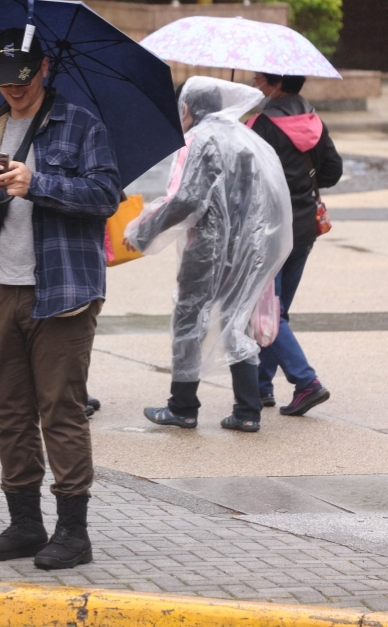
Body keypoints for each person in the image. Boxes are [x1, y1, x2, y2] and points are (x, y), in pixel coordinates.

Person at [0, 28, 122, 570]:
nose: (13, 91)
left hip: (62, 289)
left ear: (43, 70)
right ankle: (24, 524)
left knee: (60, 410)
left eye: (22, 79)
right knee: (9, 411)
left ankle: (73, 532)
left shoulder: (82, 125)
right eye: (3, 81)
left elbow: (107, 196)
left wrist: (36, 183)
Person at [125, 76, 292, 433]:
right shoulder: (246, 138)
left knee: (189, 320)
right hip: (248, 247)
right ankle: (248, 411)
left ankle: (182, 406)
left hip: (208, 246)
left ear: (187, 108)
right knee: (237, 321)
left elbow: (187, 200)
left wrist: (142, 231)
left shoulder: (199, 139)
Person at [248, 72, 342, 416]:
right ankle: (261, 386)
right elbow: (332, 171)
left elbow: (246, 177)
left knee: (265, 313)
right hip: (304, 230)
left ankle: (307, 382)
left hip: (270, 229)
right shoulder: (313, 119)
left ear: (275, 83)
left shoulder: (261, 124)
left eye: (259, 78)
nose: (255, 82)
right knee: (277, 311)